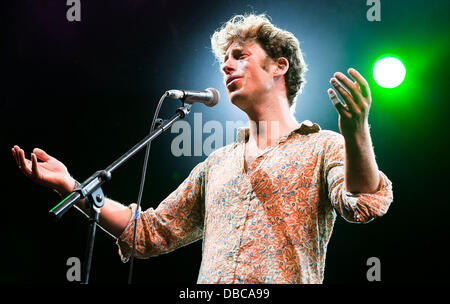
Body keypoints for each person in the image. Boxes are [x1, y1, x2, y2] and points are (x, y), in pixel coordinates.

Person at [11, 14, 393, 284]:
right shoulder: (216, 164)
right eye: (223, 60)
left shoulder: (323, 146)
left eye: (239, 55)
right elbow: (149, 232)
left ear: (279, 66)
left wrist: (356, 132)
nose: (226, 66)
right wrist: (72, 186)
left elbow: (361, 204)